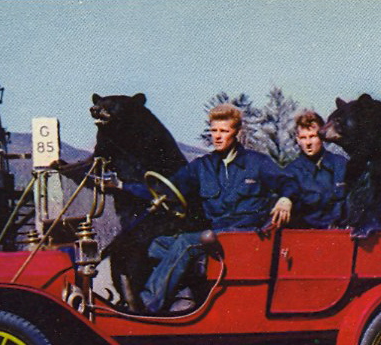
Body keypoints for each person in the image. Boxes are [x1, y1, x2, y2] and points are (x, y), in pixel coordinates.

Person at [107, 103, 297, 312]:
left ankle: (146, 305)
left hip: (245, 238)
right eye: (214, 130)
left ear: (237, 133)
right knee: (157, 245)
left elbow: (289, 182)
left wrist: (285, 199)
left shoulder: (257, 163)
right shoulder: (202, 166)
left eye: (224, 131)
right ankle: (183, 297)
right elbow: (166, 190)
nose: (217, 136)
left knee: (186, 243)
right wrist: (122, 186)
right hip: (216, 236)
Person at [284, 110, 349, 229]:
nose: (308, 143)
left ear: (322, 136)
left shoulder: (342, 165)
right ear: (298, 140)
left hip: (342, 233)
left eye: (313, 136)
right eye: (303, 138)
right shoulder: (291, 172)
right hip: (309, 234)